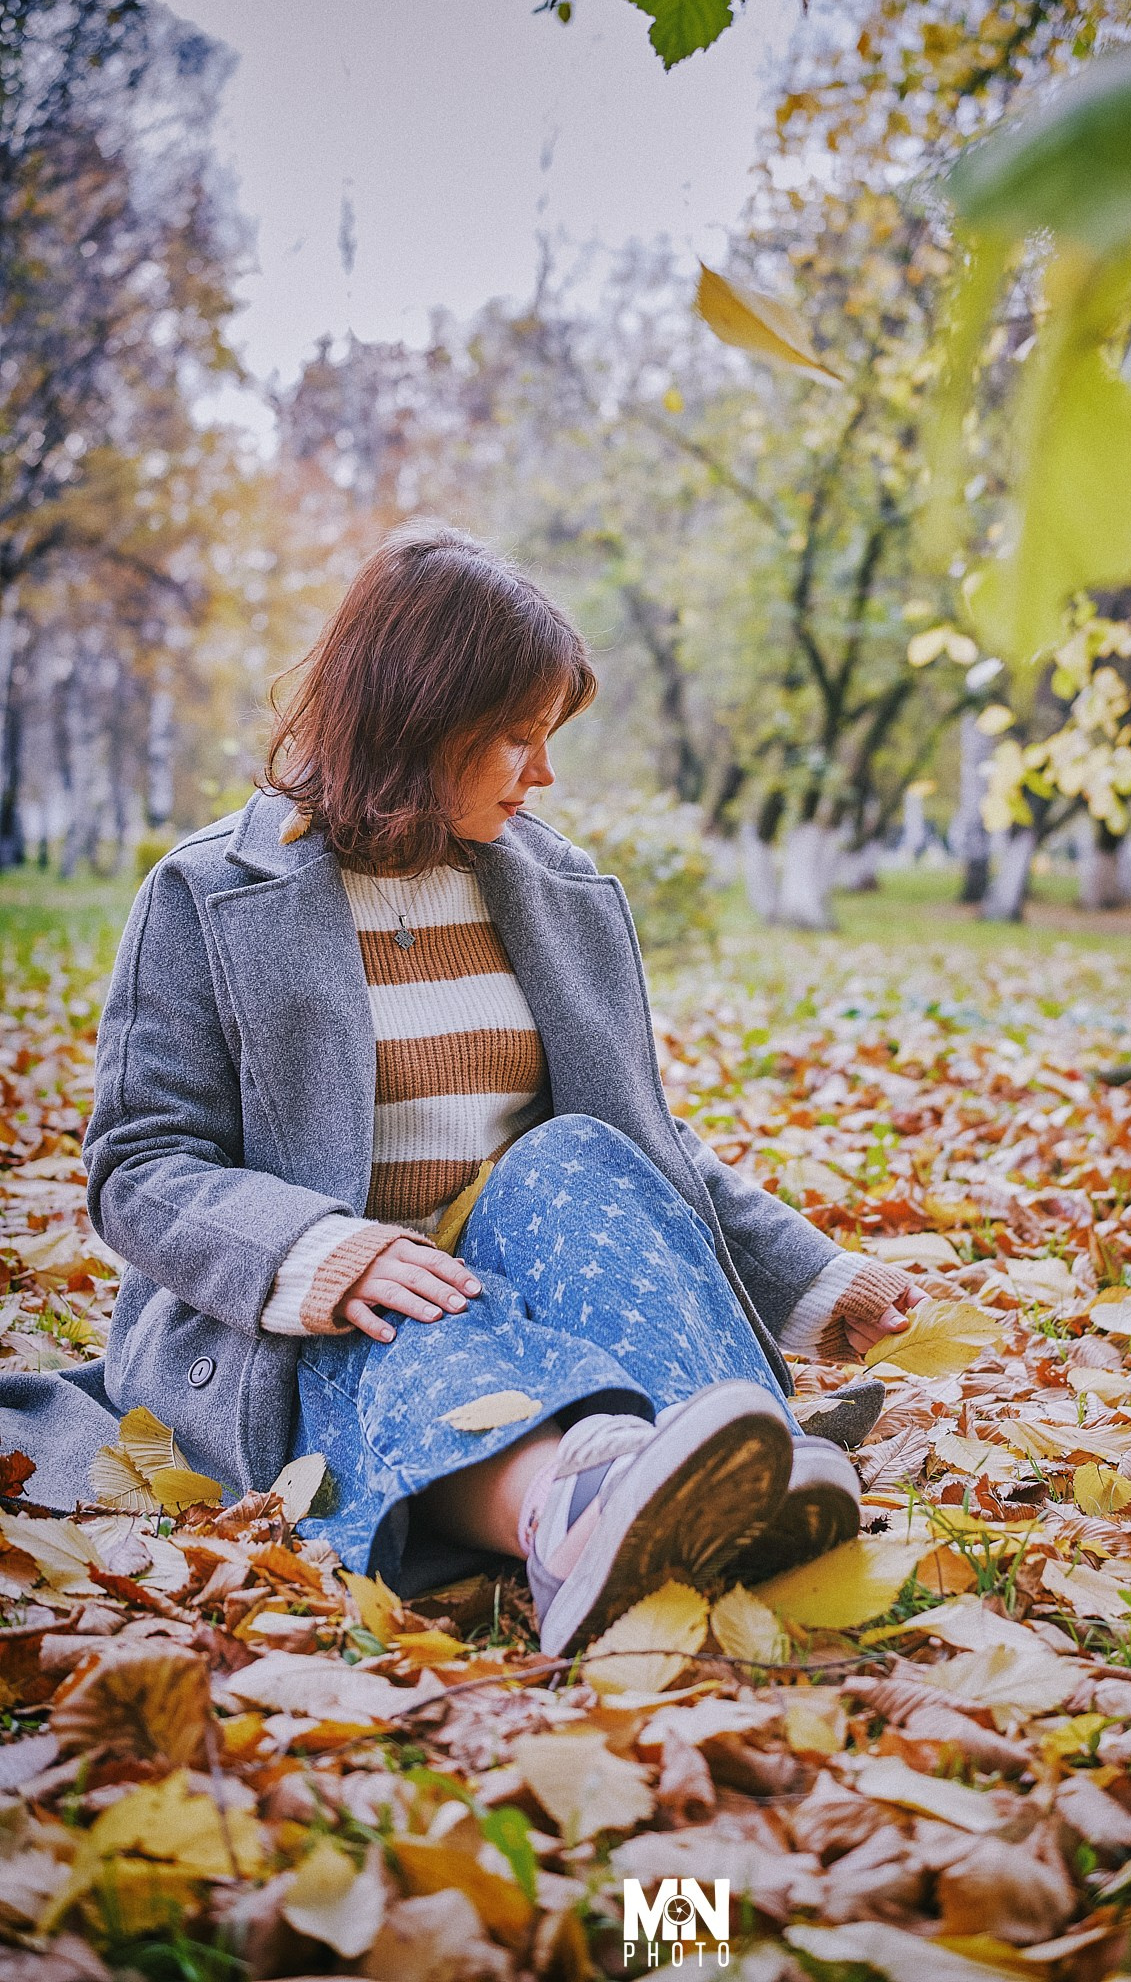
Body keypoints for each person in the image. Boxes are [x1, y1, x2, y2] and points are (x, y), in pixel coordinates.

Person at [78, 525, 923, 1656]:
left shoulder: (554, 888)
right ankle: (570, 1522)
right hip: (322, 1311)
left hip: (527, 1271)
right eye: (517, 737)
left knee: (573, 1153)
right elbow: (138, 1162)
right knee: (413, 1303)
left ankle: (732, 1477)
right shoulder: (204, 896)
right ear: (417, 721)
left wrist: (815, 1276)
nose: (546, 771)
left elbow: (640, 1144)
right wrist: (320, 1250)